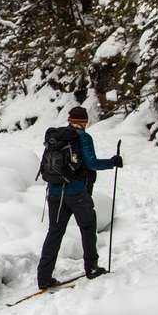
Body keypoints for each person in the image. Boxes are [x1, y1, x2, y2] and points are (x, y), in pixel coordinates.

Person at [37, 106, 123, 289]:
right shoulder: (82, 137)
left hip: (54, 193)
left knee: (55, 232)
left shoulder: (55, 137)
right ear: (84, 122)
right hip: (76, 193)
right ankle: (91, 267)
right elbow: (91, 163)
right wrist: (113, 162)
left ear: (69, 120)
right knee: (88, 226)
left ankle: (43, 278)